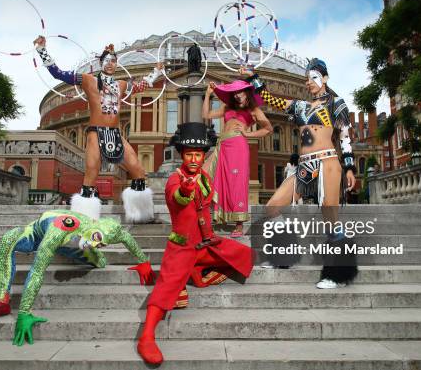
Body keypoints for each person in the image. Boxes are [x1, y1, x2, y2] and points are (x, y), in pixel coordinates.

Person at [137, 122, 254, 365]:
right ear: (181, 154)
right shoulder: (174, 179)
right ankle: (146, 337)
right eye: (189, 154)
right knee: (162, 294)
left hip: (205, 245)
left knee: (244, 255)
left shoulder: (204, 177)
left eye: (198, 154)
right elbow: (176, 197)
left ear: (203, 155)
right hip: (181, 248)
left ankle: (197, 275)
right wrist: (185, 190)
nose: (193, 159)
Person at [243, 59, 358, 288]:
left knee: (329, 215)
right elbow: (270, 99)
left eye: (314, 77)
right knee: (272, 206)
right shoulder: (300, 106)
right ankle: (283, 255)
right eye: (307, 78)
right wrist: (253, 77)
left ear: (324, 78)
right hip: (305, 165)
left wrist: (350, 167)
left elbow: (345, 137)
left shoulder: (337, 104)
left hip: (328, 162)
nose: (309, 82)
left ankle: (337, 274)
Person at [0, 207, 154, 346]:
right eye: (96, 237)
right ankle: (2, 302)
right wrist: (24, 312)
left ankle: (94, 255)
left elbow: (128, 238)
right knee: (8, 238)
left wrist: (144, 262)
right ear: (92, 225)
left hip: (71, 244)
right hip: (39, 236)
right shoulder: (62, 226)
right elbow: (37, 269)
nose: (97, 242)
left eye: (101, 243)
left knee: (99, 261)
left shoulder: (107, 232)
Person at [33, 36, 164, 223]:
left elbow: (140, 87)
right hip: (96, 132)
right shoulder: (88, 80)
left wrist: (156, 72)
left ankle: (142, 215)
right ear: (101, 63)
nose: (110, 64)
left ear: (117, 64)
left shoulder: (121, 85)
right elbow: (58, 74)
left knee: (137, 170)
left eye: (113, 61)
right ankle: (83, 218)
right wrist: (42, 49)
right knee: (92, 172)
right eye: (107, 61)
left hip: (116, 133)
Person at [202, 80, 272, 237]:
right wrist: (207, 95)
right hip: (223, 145)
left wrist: (248, 134)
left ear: (247, 92)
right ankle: (221, 216)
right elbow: (206, 115)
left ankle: (239, 224)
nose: (237, 95)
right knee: (211, 177)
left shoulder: (254, 110)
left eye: (240, 92)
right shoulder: (227, 107)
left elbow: (268, 129)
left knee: (236, 183)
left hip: (238, 146)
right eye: (234, 93)